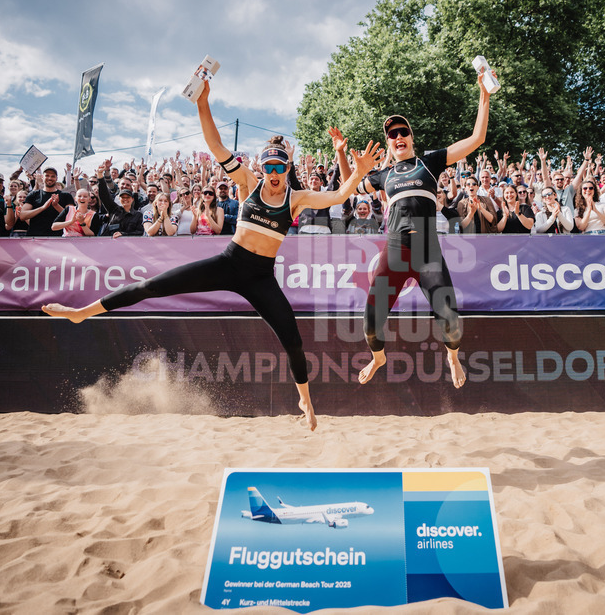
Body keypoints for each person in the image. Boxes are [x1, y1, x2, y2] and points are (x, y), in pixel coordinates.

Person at [42, 80, 383, 432]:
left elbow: (340, 196)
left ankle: (306, 401)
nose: (275, 174)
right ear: (262, 167)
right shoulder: (248, 182)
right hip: (229, 263)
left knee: (292, 338)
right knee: (150, 287)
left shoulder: (295, 199)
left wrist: (357, 170)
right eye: (270, 167)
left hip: (261, 277)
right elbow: (215, 144)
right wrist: (203, 103)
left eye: (281, 168)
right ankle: (83, 313)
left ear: (287, 169)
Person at [351, 70, 492, 390]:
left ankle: (452, 356)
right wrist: (350, 164)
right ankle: (378, 358)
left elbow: (476, 140)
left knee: (453, 326)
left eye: (403, 131)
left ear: (411, 138)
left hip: (428, 251)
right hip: (396, 250)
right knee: (370, 327)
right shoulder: (383, 176)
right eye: (392, 133)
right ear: (389, 143)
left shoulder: (429, 163)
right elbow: (348, 189)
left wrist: (484, 96)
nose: (397, 135)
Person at [21, 167, 74, 236]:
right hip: (35, 238)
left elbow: (72, 217)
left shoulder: (66, 196)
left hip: (59, 238)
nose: (50, 178)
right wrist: (42, 208)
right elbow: (22, 216)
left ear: (56, 178)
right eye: (47, 175)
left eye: (53, 176)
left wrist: (56, 206)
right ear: (42, 177)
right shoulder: (34, 194)